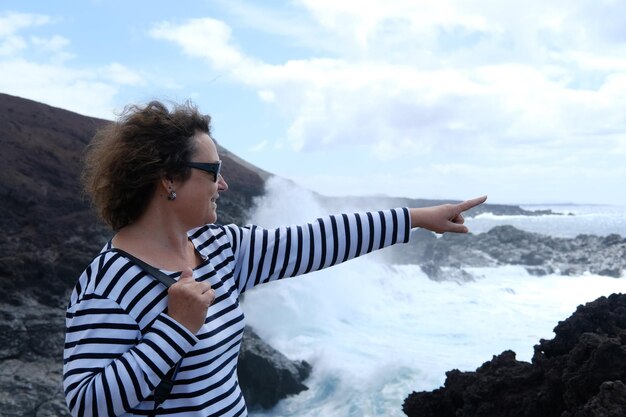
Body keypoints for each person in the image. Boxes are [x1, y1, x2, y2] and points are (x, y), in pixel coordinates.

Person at [63, 100, 487, 417]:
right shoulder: (109, 282)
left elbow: (315, 241)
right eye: (212, 171)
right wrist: (174, 330)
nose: (223, 184)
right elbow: (86, 403)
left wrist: (414, 219)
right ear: (168, 179)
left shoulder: (219, 248)